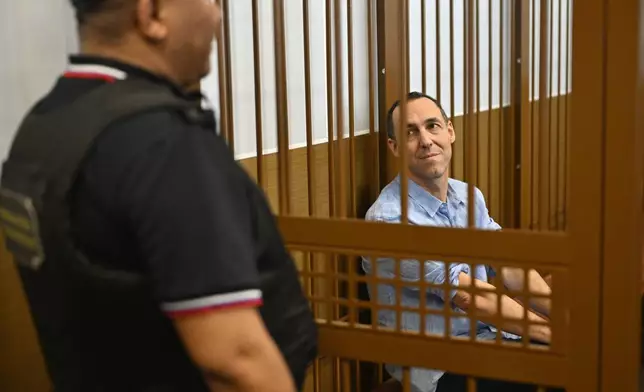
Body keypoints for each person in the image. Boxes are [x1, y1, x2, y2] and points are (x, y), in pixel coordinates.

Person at [0, 0, 317, 391]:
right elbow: (235, 363)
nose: (217, 15)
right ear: (151, 15)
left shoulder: (41, 128)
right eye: (212, 1)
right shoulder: (163, 145)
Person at [362, 92, 559, 392]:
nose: (426, 140)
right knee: (560, 371)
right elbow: (469, 296)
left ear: (450, 131)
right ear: (395, 146)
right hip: (440, 367)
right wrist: (554, 334)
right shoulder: (390, 220)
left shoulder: (467, 196)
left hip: (487, 339)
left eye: (433, 126)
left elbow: (508, 264)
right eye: (411, 132)